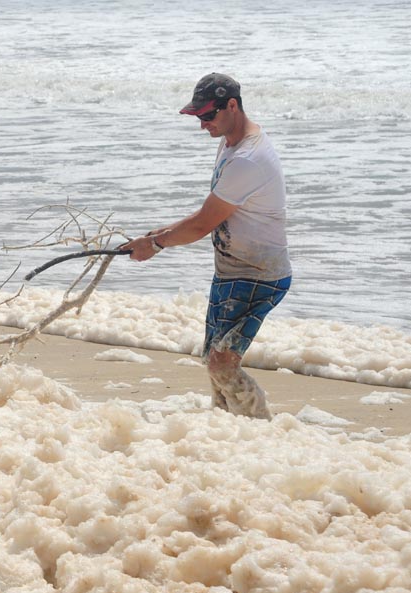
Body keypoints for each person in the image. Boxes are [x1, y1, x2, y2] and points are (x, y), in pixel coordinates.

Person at [119, 72, 291, 419]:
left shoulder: (247, 158)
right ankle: (228, 429)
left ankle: (264, 430)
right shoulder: (230, 143)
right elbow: (212, 211)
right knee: (212, 360)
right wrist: (160, 232)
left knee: (222, 364)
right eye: (198, 117)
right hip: (232, 271)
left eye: (208, 115)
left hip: (258, 275)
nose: (202, 125)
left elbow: (201, 225)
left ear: (233, 106)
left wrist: (155, 244)